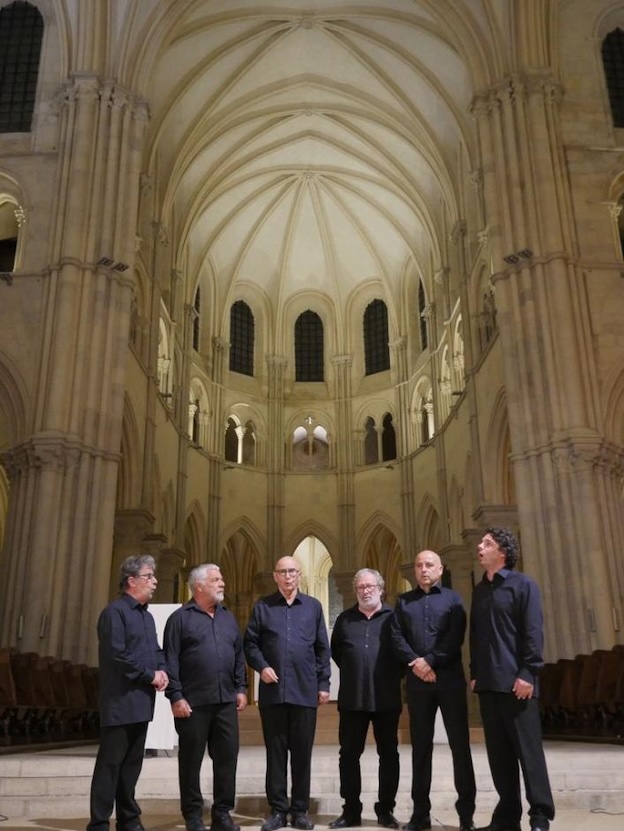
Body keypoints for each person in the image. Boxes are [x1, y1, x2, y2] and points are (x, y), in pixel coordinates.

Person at [470, 527, 555, 831]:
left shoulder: (523, 585)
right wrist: (475, 673)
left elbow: (533, 633)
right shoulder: (480, 590)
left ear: (502, 552)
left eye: (487, 543)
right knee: (499, 756)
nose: (480, 546)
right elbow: (477, 635)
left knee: (528, 753)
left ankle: (540, 815)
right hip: (490, 684)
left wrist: (528, 672)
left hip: (518, 684)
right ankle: (507, 817)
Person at [243, 556, 331, 831]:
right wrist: (262, 667)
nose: (288, 576)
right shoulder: (263, 606)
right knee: (276, 754)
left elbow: (322, 649)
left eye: (292, 571)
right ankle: (278, 810)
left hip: (304, 692)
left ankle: (300, 811)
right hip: (273, 693)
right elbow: (250, 644)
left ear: (300, 575)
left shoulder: (313, 607)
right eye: (283, 571)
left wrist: (324, 683)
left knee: (302, 754)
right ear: (275, 576)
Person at [391, 550, 476, 831]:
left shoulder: (453, 600)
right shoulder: (404, 602)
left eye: (429, 565)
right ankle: (420, 814)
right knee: (421, 748)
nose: (423, 569)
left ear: (440, 569)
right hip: (417, 683)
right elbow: (396, 636)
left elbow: (455, 637)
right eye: (418, 565)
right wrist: (416, 662)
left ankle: (466, 815)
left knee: (460, 747)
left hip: (449, 679)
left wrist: (430, 661)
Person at [87, 554, 169, 831]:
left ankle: (128, 818)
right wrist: (150, 675)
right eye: (149, 577)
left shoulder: (146, 617)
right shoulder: (115, 613)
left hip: (141, 701)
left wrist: (162, 670)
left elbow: (156, 651)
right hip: (120, 701)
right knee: (110, 766)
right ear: (131, 581)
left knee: (132, 765)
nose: (155, 581)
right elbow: (117, 656)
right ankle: (99, 822)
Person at [163, 564, 248, 831]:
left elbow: (238, 655)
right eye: (216, 580)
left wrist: (241, 688)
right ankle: (193, 815)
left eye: (222, 579)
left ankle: (222, 812)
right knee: (191, 761)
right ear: (198, 586)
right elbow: (170, 660)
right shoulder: (180, 618)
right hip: (193, 704)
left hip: (225, 702)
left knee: (227, 759)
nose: (222, 583)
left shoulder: (227, 617)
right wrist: (176, 696)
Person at [329, 568, 402, 830]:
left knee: (389, 755)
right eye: (361, 587)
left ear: (381, 589)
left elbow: (403, 654)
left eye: (370, 586)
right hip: (353, 698)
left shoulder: (394, 617)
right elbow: (337, 651)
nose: (365, 590)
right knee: (348, 755)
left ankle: (385, 810)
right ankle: (351, 811)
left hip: (386, 697)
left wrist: (390, 675)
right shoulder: (345, 619)